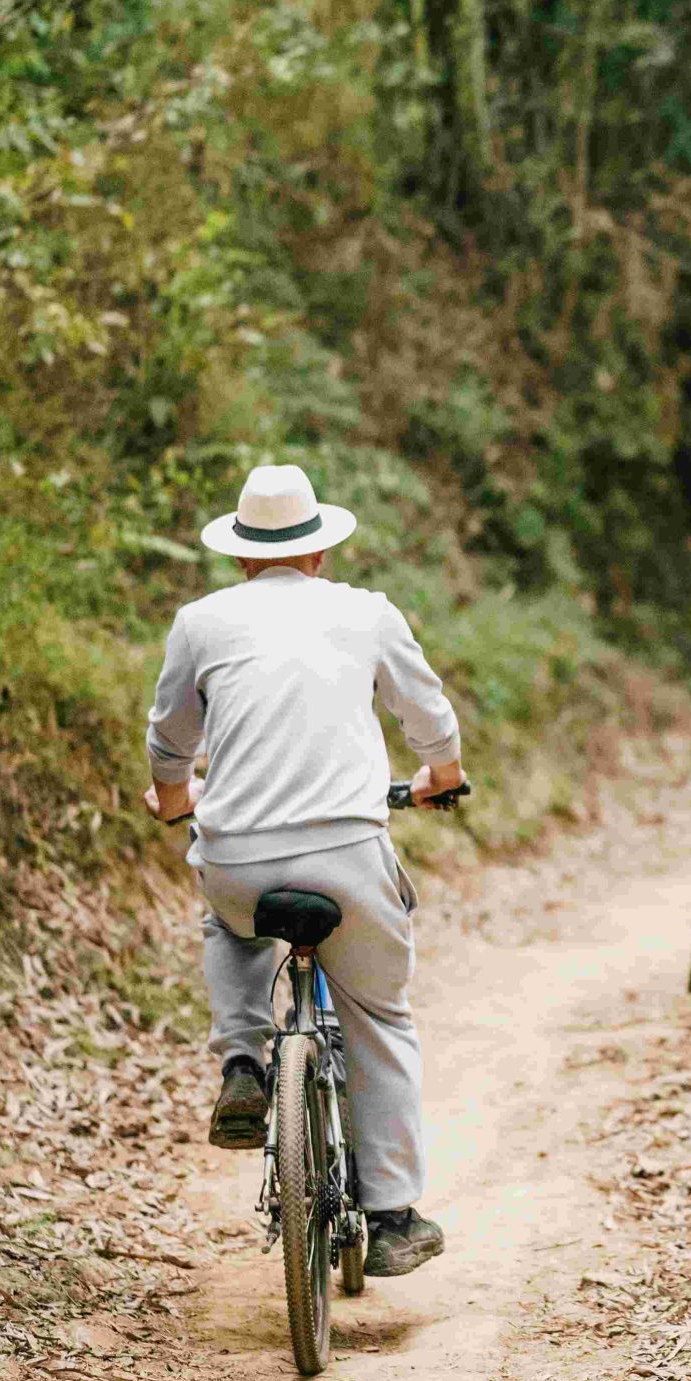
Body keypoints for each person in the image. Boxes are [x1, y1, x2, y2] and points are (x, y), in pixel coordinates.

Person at [144, 463, 466, 1278]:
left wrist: (177, 797)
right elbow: (428, 714)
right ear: (319, 552)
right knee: (381, 1016)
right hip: (348, 857)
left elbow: (168, 739)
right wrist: (442, 773)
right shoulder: (367, 612)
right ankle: (391, 1214)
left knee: (227, 916)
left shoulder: (200, 621)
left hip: (239, 855)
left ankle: (244, 1062)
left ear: (242, 556)